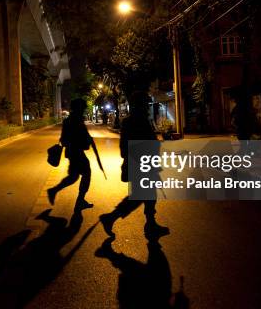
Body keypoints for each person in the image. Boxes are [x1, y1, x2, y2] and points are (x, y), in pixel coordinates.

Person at [99, 91, 169, 239]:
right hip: (140, 165)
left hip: (144, 164)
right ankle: (111, 218)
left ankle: (150, 224)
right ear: (138, 106)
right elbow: (127, 148)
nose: (146, 107)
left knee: (148, 196)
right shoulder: (136, 122)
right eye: (144, 104)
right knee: (140, 197)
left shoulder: (135, 121)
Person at [47, 98, 96, 210]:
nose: (83, 109)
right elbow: (77, 136)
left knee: (73, 176)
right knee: (86, 173)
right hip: (76, 152)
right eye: (82, 107)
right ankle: (80, 200)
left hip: (72, 152)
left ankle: (55, 190)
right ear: (78, 108)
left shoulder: (71, 119)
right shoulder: (75, 119)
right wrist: (87, 140)